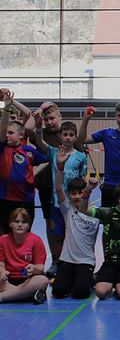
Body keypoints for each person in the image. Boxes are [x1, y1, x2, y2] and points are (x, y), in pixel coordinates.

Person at [34, 117, 87, 278]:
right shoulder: (53, 152)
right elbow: (40, 141)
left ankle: (74, 263)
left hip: (74, 204)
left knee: (73, 235)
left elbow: (83, 179)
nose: (68, 137)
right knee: (57, 235)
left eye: (71, 135)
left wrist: (84, 199)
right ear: (60, 136)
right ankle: (57, 263)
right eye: (65, 134)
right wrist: (38, 127)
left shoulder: (81, 156)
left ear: (75, 137)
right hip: (56, 202)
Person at [52, 149, 99, 299]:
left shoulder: (96, 213)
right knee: (58, 291)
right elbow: (58, 187)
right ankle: (70, 279)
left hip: (85, 261)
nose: (77, 196)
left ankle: (90, 278)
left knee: (81, 292)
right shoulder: (67, 208)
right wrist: (60, 167)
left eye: (80, 192)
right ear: (69, 194)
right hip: (67, 259)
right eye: (73, 193)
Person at [78, 101, 120, 207]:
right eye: (119, 115)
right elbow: (82, 139)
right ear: (115, 116)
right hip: (110, 186)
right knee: (107, 217)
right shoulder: (107, 133)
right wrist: (86, 119)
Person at [0, 92, 48, 234]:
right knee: (5, 235)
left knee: (24, 233)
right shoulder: (2, 147)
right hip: (4, 198)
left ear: (21, 135)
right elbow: (3, 130)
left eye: (11, 133)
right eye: (6, 133)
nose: (7, 135)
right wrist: (6, 106)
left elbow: (46, 160)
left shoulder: (28, 150)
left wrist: (34, 172)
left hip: (25, 198)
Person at [0, 208, 49, 304]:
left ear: (28, 225)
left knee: (43, 280)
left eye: (24, 222)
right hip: (8, 280)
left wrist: (33, 268)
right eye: (16, 221)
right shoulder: (2, 240)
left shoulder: (36, 240)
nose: (20, 225)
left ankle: (3, 297)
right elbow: (0, 264)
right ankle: (26, 295)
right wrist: (3, 272)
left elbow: (40, 268)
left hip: (28, 280)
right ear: (10, 224)